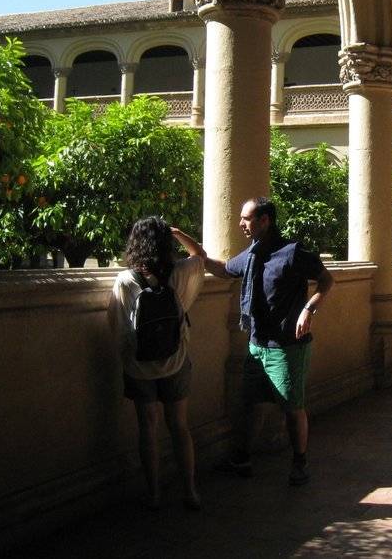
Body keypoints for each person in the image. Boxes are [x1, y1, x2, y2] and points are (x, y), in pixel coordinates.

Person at [201, 197, 334, 486]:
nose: (240, 224)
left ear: (265, 220)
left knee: (292, 408)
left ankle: (300, 463)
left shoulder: (292, 252)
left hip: (287, 347)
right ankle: (242, 459)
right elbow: (224, 269)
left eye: (246, 218)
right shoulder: (251, 254)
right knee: (252, 404)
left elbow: (326, 279)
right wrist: (196, 254)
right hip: (257, 344)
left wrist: (309, 309)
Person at [110, 217, 205, 510]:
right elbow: (200, 255)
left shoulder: (126, 280)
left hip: (140, 366)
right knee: (179, 426)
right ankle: (189, 490)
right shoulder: (180, 273)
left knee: (148, 428)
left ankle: (154, 494)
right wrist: (177, 233)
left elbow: (118, 328)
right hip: (175, 359)